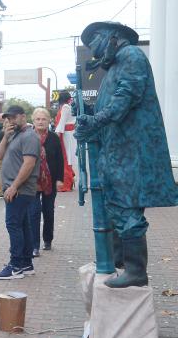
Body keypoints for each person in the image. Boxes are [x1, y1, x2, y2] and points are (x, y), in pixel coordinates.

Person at [76, 21, 178, 288]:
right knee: (116, 205)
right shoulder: (114, 67)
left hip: (131, 150)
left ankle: (135, 271)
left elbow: (124, 100)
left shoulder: (131, 55)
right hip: (118, 150)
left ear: (114, 36)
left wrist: (95, 121)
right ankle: (120, 260)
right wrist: (89, 120)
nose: (93, 47)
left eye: (95, 39)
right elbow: (109, 105)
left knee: (127, 206)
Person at [0, 105, 40, 280]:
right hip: (15, 189)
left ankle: (16, 265)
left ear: (22, 116)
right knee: (23, 226)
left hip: (20, 190)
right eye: (8, 119)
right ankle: (26, 264)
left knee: (13, 225)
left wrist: (14, 186)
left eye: (13, 117)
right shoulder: (15, 135)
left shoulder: (29, 136)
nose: (10, 121)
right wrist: (5, 136)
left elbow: (29, 163)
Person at [27, 108, 64, 256]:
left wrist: (60, 179)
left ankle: (48, 240)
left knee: (48, 212)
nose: (41, 122)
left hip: (50, 181)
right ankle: (34, 245)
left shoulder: (54, 138)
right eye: (38, 119)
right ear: (33, 121)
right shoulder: (28, 137)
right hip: (32, 181)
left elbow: (60, 159)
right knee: (33, 213)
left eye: (43, 119)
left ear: (48, 121)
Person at [54, 91, 76, 192]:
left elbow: (62, 123)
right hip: (68, 134)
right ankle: (69, 181)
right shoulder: (69, 107)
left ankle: (66, 183)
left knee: (65, 159)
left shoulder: (65, 107)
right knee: (66, 159)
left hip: (65, 135)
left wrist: (56, 136)